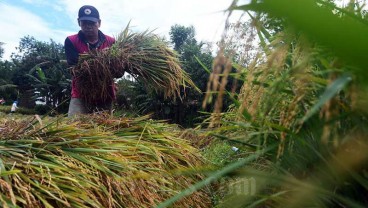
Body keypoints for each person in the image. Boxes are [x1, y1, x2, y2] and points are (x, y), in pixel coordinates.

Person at [64, 5, 116, 117]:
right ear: (79, 22)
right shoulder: (71, 41)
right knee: (74, 128)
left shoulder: (111, 42)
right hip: (80, 93)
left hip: (105, 93)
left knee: (104, 129)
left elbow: (118, 72)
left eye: (92, 23)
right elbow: (75, 68)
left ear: (99, 23)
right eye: (84, 23)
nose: (88, 26)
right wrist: (101, 57)